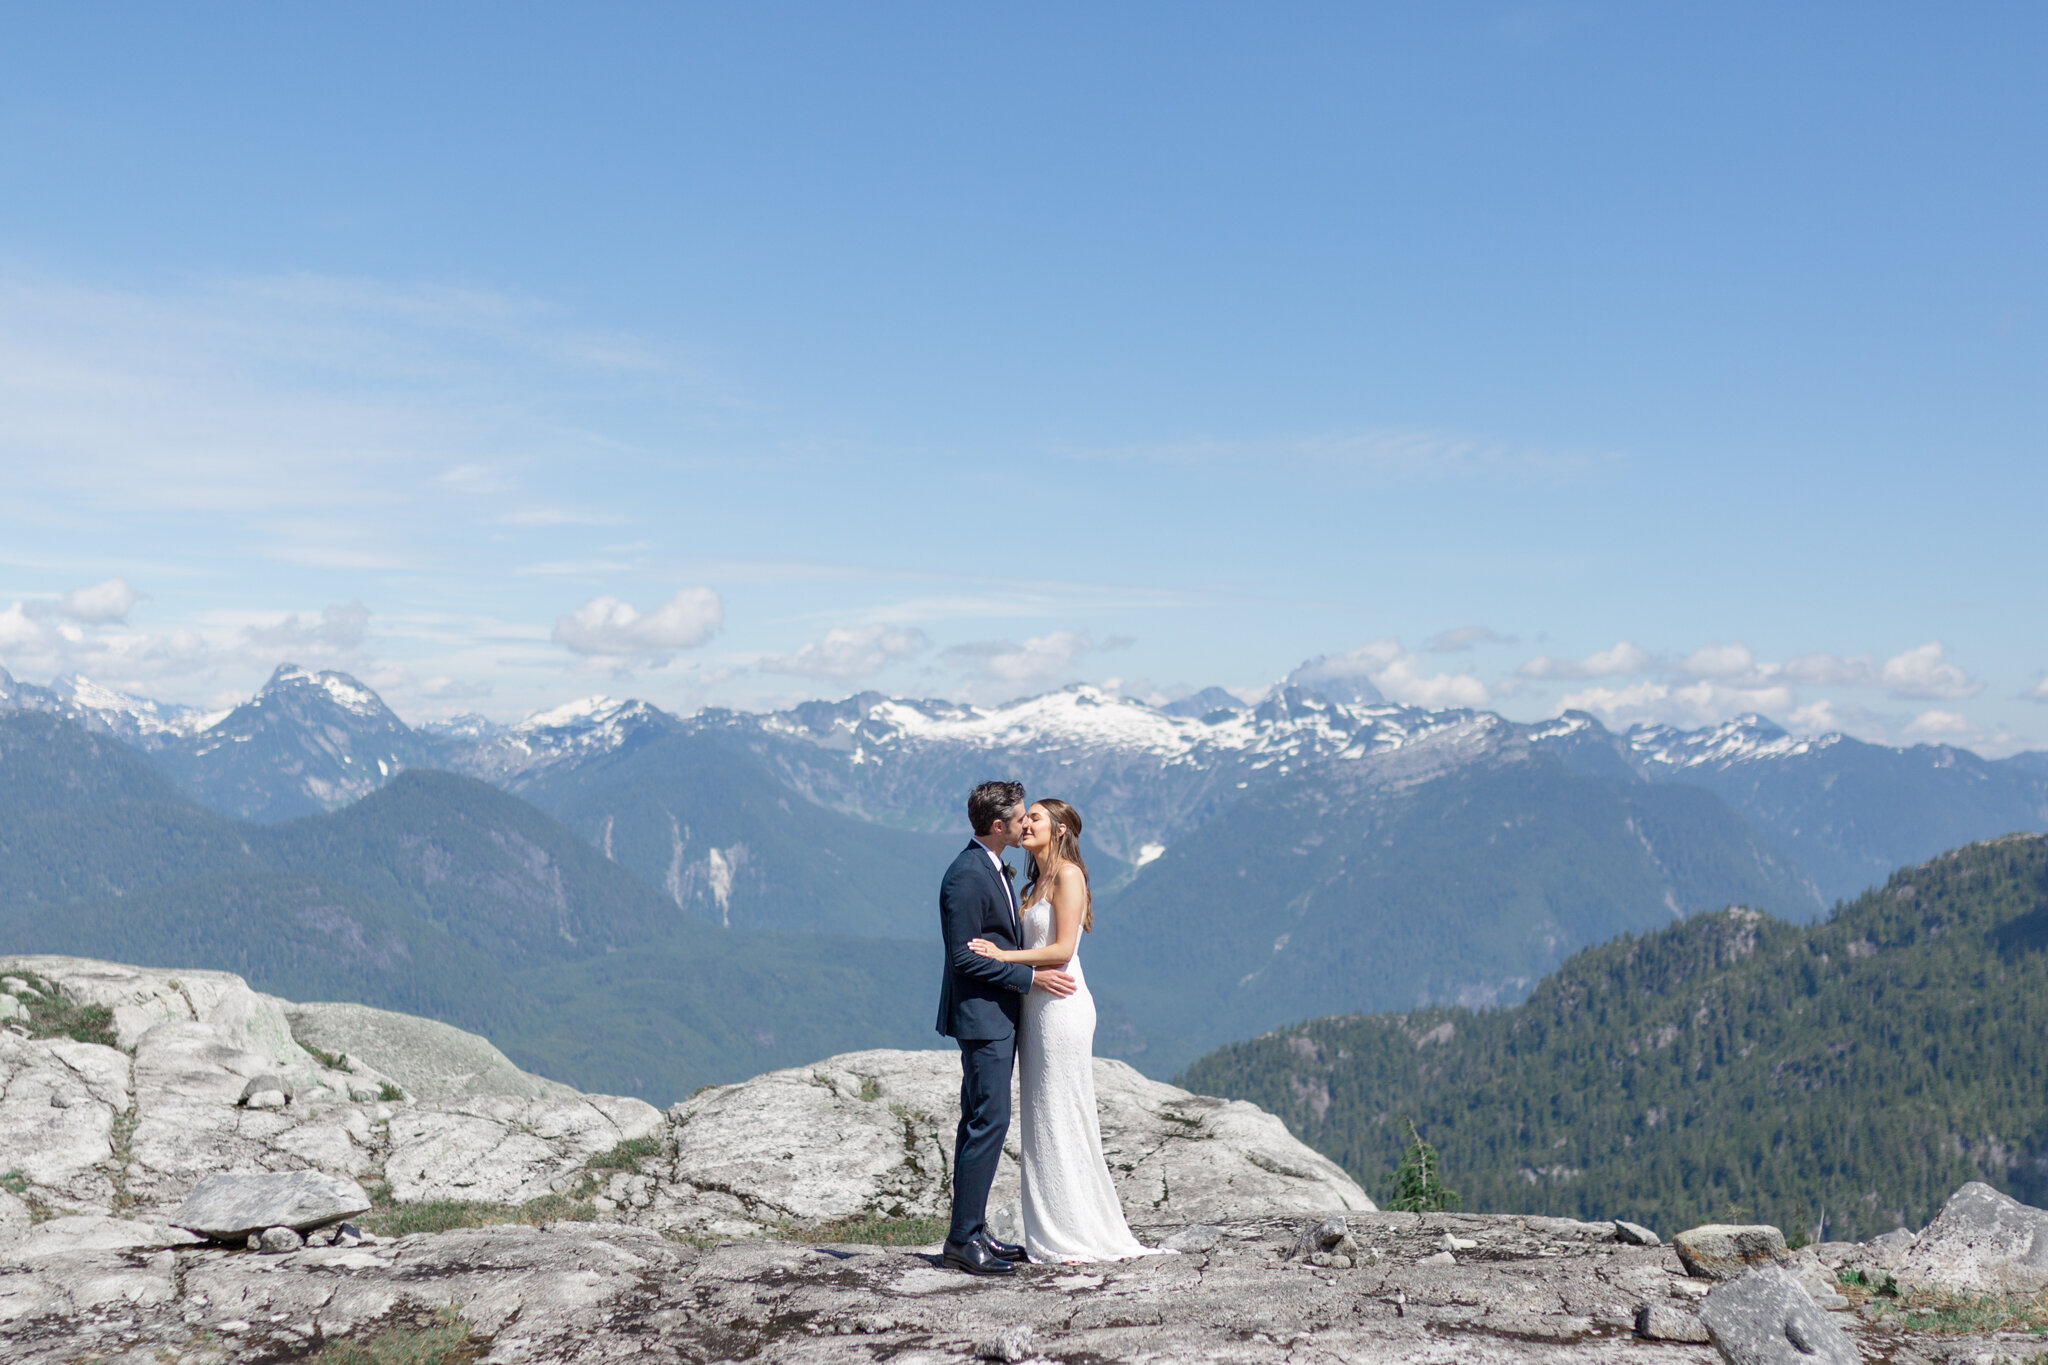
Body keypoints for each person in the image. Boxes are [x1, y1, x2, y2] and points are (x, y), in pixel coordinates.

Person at [968, 798, 1173, 1264]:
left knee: (1062, 1110)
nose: (1026, 824)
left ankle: (1076, 1232)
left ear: (1059, 830)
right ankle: (1052, 1231)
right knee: (1041, 1116)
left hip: (1060, 1005)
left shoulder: (1068, 876)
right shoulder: (1033, 882)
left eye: (1035, 817)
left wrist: (1002, 958)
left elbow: (1061, 950)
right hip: (1035, 1005)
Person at [935, 780, 1076, 1275]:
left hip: (996, 1017)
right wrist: (1029, 976)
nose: (1025, 824)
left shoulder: (989, 867)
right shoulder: (967, 876)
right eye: (1019, 818)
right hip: (983, 1019)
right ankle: (962, 1239)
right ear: (999, 826)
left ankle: (971, 1231)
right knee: (987, 1122)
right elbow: (962, 958)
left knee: (982, 1121)